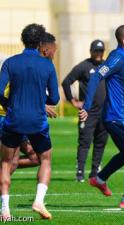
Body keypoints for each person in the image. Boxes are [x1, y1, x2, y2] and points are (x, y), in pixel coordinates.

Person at [79, 25, 124, 208]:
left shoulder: (123, 59)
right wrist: (86, 107)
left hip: (116, 117)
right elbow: (97, 76)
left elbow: (122, 80)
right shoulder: (118, 57)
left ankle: (100, 178)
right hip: (117, 118)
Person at [0, 24, 59, 220]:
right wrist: (39, 101)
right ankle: (39, 201)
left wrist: (9, 106)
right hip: (37, 122)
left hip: (13, 120)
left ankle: (5, 210)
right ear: (41, 43)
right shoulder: (47, 65)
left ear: (22, 40)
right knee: (45, 159)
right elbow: (55, 99)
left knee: (6, 163)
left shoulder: (10, 62)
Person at [10, 32, 58, 173]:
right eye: (53, 51)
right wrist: (40, 105)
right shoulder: (19, 66)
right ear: (44, 49)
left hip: (21, 118)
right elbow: (11, 93)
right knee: (11, 162)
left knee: (34, 159)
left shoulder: (36, 67)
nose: (53, 55)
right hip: (11, 119)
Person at [62, 39, 108, 182]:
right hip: (88, 112)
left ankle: (94, 172)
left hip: (105, 112)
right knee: (84, 142)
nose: (98, 54)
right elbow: (66, 82)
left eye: (101, 51)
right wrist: (73, 101)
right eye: (96, 51)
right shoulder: (84, 66)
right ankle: (80, 172)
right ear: (91, 51)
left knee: (101, 142)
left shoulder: (107, 67)